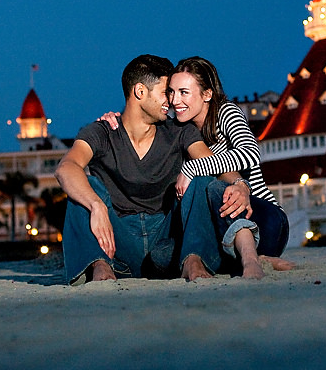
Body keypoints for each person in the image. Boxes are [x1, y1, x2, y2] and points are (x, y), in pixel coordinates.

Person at [100, 56, 294, 279]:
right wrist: (116, 120)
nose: (175, 101)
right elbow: (140, 120)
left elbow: (250, 153)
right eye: (171, 92)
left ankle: (251, 260)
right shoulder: (177, 130)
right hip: (217, 228)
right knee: (162, 257)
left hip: (260, 218)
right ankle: (244, 261)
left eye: (184, 92)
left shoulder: (226, 113)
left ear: (207, 94)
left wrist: (193, 167)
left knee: (212, 188)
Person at [55, 54, 244, 284]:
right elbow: (66, 168)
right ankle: (100, 267)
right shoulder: (101, 132)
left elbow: (215, 162)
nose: (173, 101)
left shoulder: (179, 131)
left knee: (201, 182)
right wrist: (97, 206)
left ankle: (194, 262)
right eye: (167, 92)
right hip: (116, 242)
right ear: (140, 92)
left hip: (166, 245)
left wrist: (239, 184)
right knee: (84, 187)